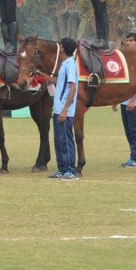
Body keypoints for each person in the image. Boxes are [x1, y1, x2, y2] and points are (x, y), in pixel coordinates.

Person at [51, 37, 80, 180]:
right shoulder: (64, 64)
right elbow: (60, 82)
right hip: (57, 109)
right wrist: (45, 78)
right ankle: (62, 169)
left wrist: (65, 110)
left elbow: (73, 87)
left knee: (66, 140)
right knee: (59, 140)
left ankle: (71, 170)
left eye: (60, 45)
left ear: (63, 47)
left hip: (64, 111)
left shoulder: (70, 65)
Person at [115, 32, 136, 168]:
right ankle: (133, 156)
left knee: (135, 130)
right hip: (124, 101)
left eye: (131, 40)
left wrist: (132, 100)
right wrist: (116, 100)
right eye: (127, 40)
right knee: (128, 131)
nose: (128, 43)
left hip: (134, 103)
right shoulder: (126, 59)